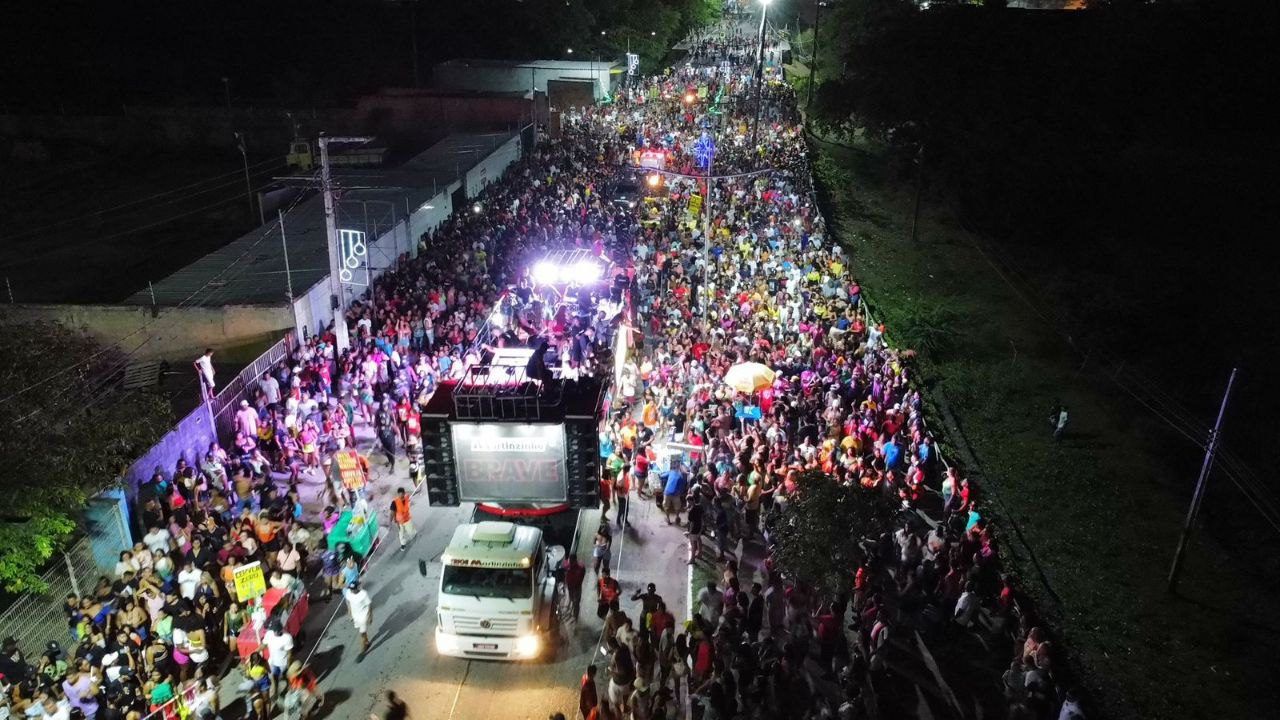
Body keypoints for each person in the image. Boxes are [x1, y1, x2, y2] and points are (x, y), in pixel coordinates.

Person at [344, 580, 373, 658]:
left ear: (357, 588)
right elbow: (348, 602)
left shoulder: (363, 594)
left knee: (362, 633)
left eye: (354, 589)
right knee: (362, 631)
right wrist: (350, 613)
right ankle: (367, 643)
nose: (352, 590)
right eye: (351, 589)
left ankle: (363, 651)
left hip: (364, 616)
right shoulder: (348, 593)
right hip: (355, 616)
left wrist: (370, 616)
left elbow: (369, 605)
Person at [563, 554, 586, 620]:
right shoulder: (566, 565)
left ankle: (575, 615)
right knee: (572, 599)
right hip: (570, 587)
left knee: (576, 602)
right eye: (570, 561)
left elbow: (582, 576)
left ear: (575, 561)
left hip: (577, 588)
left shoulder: (581, 567)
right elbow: (563, 571)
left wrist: (578, 583)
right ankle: (573, 604)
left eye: (572, 562)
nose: (570, 563)